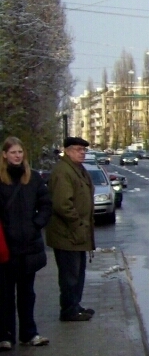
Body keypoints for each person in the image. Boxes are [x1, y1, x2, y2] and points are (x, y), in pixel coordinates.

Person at [0, 137, 53, 350]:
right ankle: (5, 335)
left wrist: (37, 224)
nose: (17, 156)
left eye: (20, 152)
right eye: (13, 152)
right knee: (4, 295)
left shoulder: (33, 179)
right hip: (5, 248)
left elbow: (46, 204)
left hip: (28, 247)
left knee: (27, 293)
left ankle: (29, 333)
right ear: (4, 155)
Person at [45, 137, 96, 322]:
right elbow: (62, 204)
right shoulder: (63, 171)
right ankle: (69, 310)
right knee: (70, 275)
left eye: (83, 149)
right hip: (67, 234)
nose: (82, 152)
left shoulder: (77, 169)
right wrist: (78, 225)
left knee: (77, 272)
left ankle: (75, 305)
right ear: (67, 151)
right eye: (77, 149)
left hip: (76, 234)